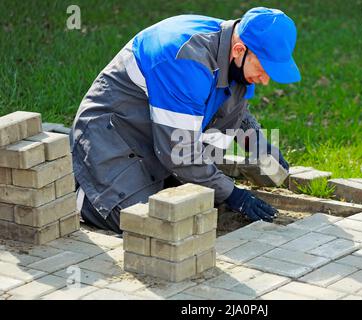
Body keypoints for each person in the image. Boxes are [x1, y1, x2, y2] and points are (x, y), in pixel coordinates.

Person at [70, 7, 302, 233]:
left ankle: (153, 179)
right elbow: (180, 153)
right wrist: (234, 195)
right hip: (111, 133)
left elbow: (234, 110)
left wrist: (259, 147)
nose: (265, 81)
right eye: (263, 69)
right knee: (142, 220)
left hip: (155, 134)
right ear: (240, 50)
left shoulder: (232, 52)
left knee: (193, 201)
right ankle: (80, 192)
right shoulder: (186, 59)